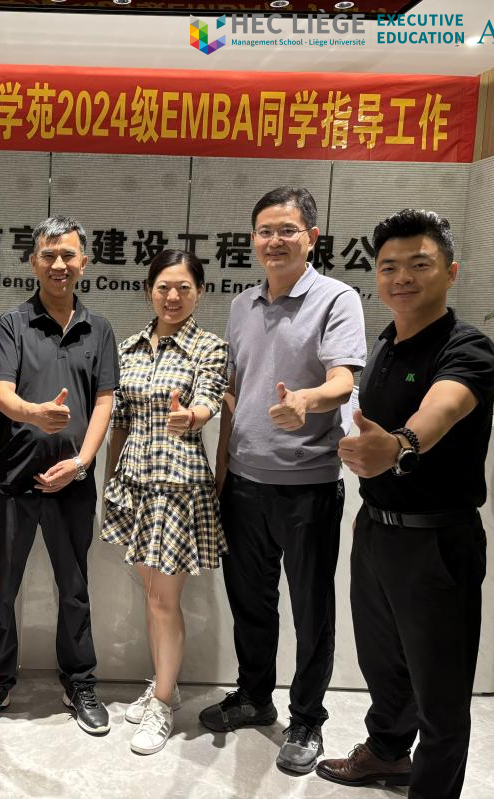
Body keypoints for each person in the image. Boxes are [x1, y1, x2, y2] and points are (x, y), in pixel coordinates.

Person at [318, 210, 494, 798]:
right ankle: (388, 754)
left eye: (419, 265)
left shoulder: (467, 347)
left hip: (436, 542)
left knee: (440, 689)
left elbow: (441, 409)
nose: (401, 278)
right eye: (389, 267)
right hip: (378, 532)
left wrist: (399, 446)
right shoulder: (386, 343)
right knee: (385, 663)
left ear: (451, 272)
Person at [198, 186, 366, 774]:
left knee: (311, 608)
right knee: (251, 601)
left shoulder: (336, 298)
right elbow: (233, 392)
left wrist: (306, 401)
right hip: (245, 482)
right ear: (253, 239)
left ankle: (307, 718)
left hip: (307, 485)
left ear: (311, 237)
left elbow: (344, 379)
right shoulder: (242, 305)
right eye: (265, 231)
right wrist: (221, 467)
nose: (275, 240)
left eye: (287, 230)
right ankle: (253, 696)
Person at [0, 215, 118, 737]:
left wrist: (80, 463)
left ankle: (79, 682)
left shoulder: (99, 329)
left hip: (72, 483)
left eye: (68, 255)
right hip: (12, 480)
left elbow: (104, 401)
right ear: (34, 262)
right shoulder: (13, 322)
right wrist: (34, 414)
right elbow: (1, 393)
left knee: (74, 587)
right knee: (2, 588)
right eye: (49, 255)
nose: (59, 264)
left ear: (84, 262)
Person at [101, 249, 228, 755]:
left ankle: (162, 702)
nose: (172, 297)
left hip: (177, 486)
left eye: (184, 288)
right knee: (150, 597)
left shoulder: (209, 347)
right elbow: (120, 422)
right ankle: (164, 686)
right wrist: (110, 481)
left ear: (200, 292)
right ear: (148, 290)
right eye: (163, 287)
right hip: (135, 481)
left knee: (164, 601)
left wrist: (192, 417)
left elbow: (210, 398)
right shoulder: (129, 348)